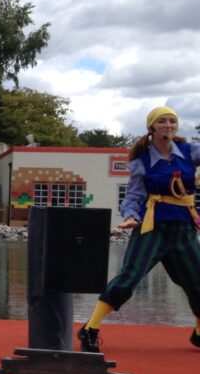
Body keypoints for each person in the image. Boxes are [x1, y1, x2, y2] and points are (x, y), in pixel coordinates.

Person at [78, 106, 200, 352]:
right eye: (163, 121)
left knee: (197, 281)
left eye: (172, 121)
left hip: (184, 228)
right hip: (152, 228)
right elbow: (132, 196)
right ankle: (89, 329)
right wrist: (132, 216)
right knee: (129, 278)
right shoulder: (141, 160)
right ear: (153, 127)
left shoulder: (190, 151)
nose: (168, 125)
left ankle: (199, 333)